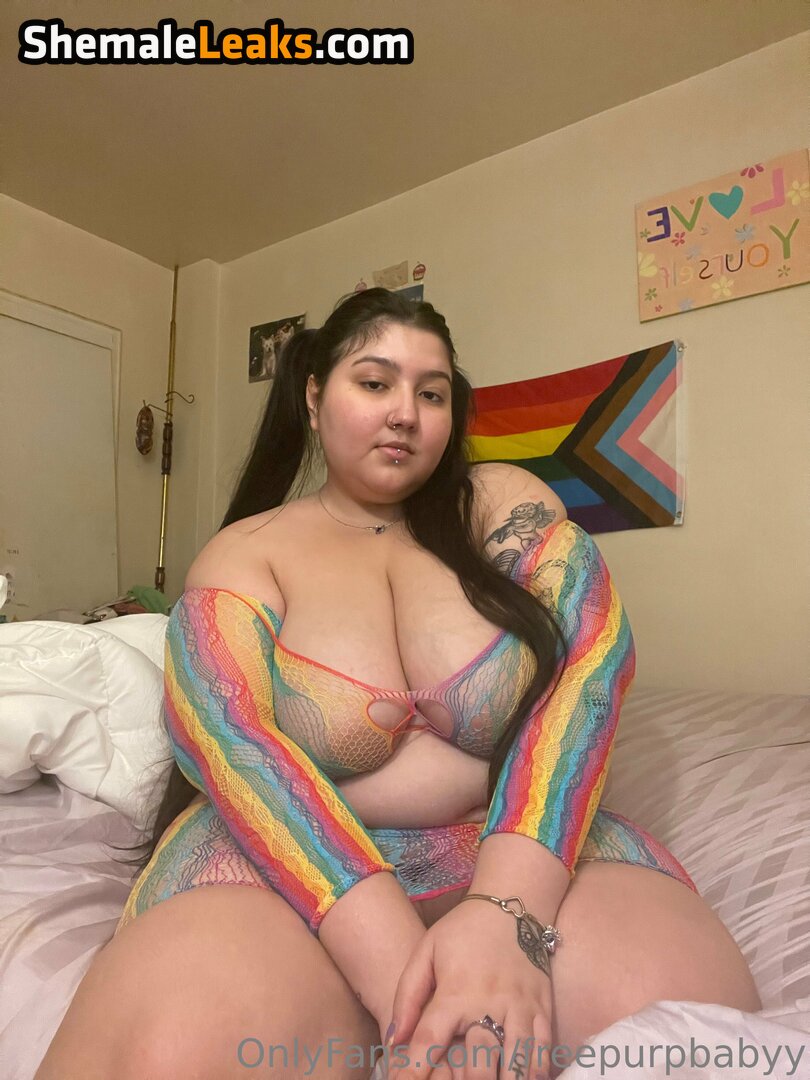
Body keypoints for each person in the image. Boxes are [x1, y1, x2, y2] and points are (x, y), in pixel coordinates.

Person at [35, 288, 760, 1080]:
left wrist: (505, 912)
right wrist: (405, 986)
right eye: (375, 383)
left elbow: (588, 668)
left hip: (516, 841)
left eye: (432, 393)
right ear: (315, 398)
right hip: (285, 868)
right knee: (174, 1046)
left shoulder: (502, 506)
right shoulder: (247, 552)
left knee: (682, 1027)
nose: (406, 413)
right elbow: (233, 743)